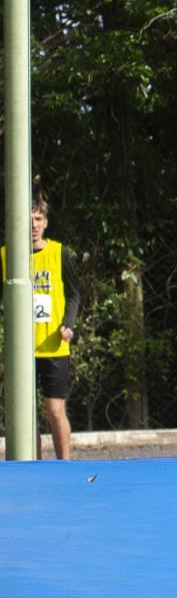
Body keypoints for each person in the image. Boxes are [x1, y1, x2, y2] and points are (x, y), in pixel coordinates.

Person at [0, 194, 83, 460]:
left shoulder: (60, 252)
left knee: (55, 410)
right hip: (20, 349)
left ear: (46, 222)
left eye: (38, 219)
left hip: (53, 346)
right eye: (28, 220)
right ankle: (33, 468)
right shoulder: (6, 255)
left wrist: (68, 325)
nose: (33, 225)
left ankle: (65, 466)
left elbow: (74, 294)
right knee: (26, 416)